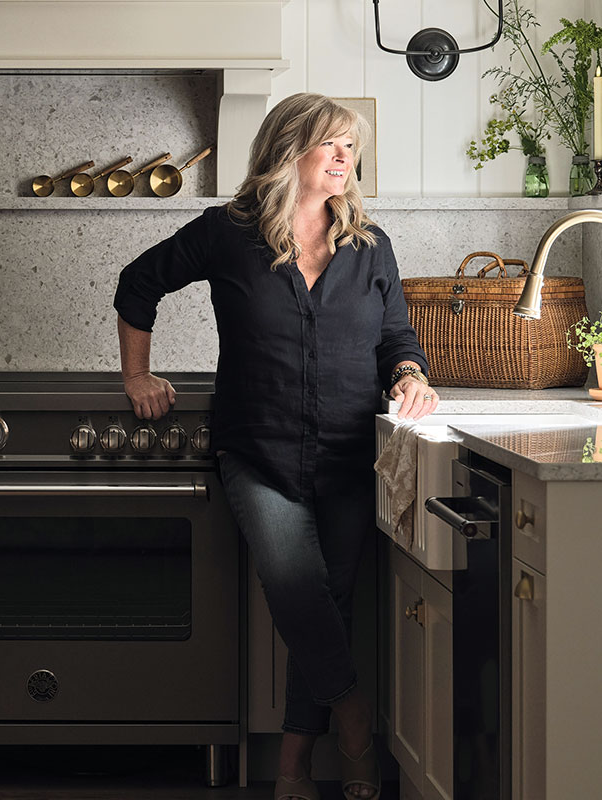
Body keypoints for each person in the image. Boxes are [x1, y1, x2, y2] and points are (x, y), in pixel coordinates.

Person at [113, 92, 439, 800]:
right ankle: (356, 728)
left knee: (327, 604)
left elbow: (397, 338)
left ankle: (292, 770)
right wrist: (137, 374)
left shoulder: (370, 244)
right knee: (298, 589)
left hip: (353, 457)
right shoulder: (228, 233)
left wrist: (411, 375)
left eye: (351, 146)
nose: (347, 158)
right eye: (333, 144)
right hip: (256, 454)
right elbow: (138, 284)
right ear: (289, 148)